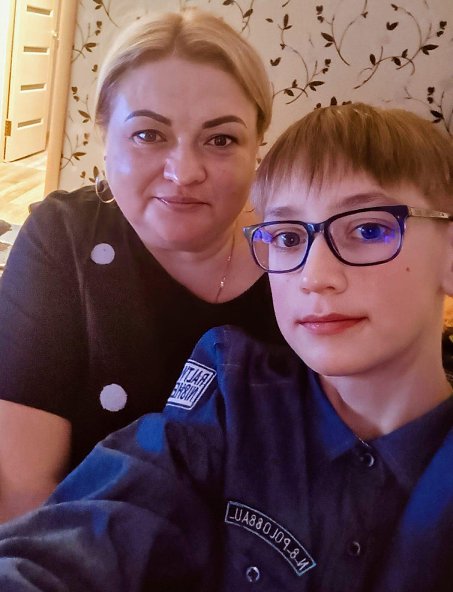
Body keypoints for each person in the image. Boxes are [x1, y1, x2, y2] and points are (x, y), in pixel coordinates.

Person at [0, 102, 451, 592]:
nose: (314, 275)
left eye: (368, 229)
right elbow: (88, 535)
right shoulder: (232, 396)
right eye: (287, 237)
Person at [0, 9, 286, 521]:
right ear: (103, 137)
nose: (185, 172)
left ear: (256, 145)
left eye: (221, 139)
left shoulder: (301, 255)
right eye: (149, 135)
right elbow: (24, 493)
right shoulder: (63, 239)